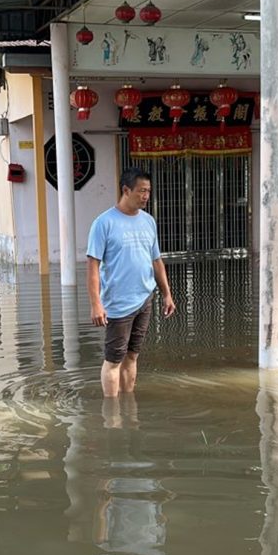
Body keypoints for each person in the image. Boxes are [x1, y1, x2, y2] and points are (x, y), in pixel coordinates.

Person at [87, 167, 176, 397]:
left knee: (132, 356)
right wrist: (96, 304)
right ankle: (112, 416)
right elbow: (93, 267)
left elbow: (156, 260)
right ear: (126, 190)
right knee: (114, 359)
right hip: (117, 303)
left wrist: (167, 293)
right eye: (141, 191)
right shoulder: (103, 223)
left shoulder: (148, 222)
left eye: (148, 191)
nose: (146, 196)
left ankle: (128, 404)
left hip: (144, 298)